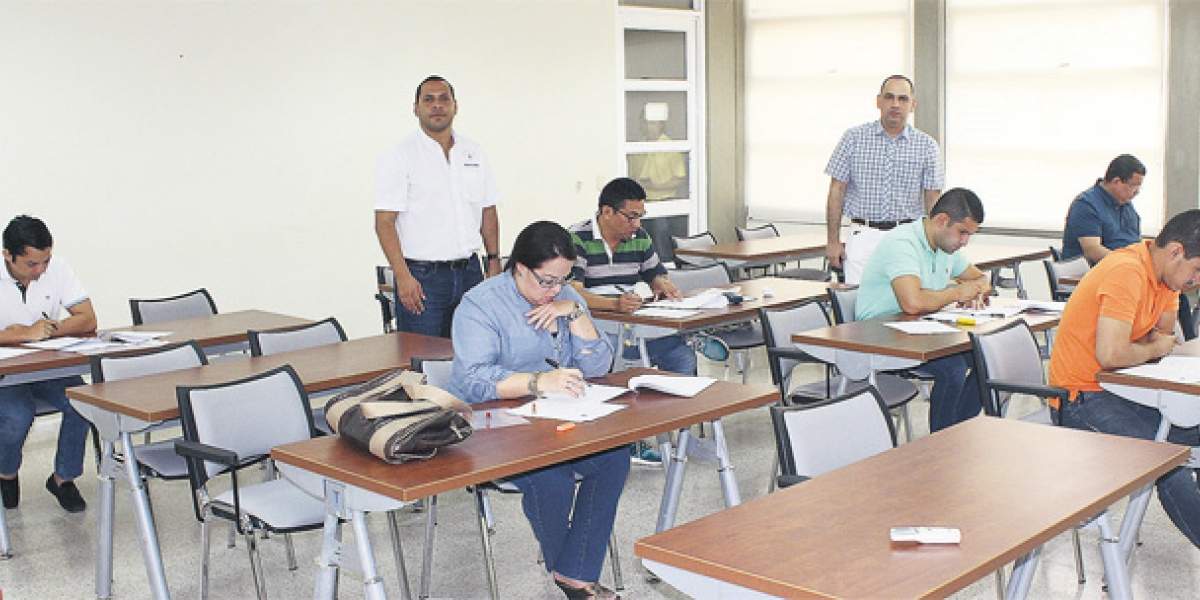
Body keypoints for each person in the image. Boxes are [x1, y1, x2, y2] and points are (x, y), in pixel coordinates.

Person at [446, 221, 623, 600]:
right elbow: (475, 380)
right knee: (552, 476)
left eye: (563, 279)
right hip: (491, 426)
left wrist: (574, 313)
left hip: (556, 419)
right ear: (519, 268)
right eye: (546, 281)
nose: (554, 289)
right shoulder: (480, 305)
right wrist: (538, 381)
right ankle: (573, 574)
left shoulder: (566, 297)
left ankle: (571, 571)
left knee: (614, 457)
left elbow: (599, 367)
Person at [1049, 209, 1200, 549]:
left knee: (1187, 434)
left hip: (1122, 388)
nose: (1196, 281)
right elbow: (1113, 355)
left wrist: (1151, 345)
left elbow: (1162, 338)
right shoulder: (1127, 271)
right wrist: (1152, 346)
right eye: (1197, 270)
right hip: (1080, 397)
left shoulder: (1165, 278)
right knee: (1168, 462)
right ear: (1176, 251)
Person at [568, 177, 695, 465]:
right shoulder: (577, 238)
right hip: (594, 325)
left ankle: (672, 431)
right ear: (607, 212)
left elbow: (655, 273)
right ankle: (625, 440)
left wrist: (663, 285)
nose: (637, 224)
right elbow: (571, 293)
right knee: (620, 357)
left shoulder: (639, 238)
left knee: (680, 353)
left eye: (641, 216)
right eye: (632, 217)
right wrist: (613, 304)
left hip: (632, 322)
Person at [375, 75, 502, 338]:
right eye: (428, 100)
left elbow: (487, 209)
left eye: (444, 99)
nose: (437, 106)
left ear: (455, 105)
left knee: (472, 352)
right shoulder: (400, 155)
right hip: (422, 278)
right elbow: (384, 221)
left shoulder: (473, 151)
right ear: (416, 108)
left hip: (470, 272)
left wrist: (493, 261)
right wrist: (403, 277)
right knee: (424, 360)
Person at [856, 189, 992, 432]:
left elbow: (981, 278)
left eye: (970, 235)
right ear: (942, 220)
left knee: (985, 358)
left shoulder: (946, 247)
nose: (964, 242)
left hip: (919, 331)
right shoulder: (903, 242)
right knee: (953, 370)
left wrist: (979, 290)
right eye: (962, 233)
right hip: (879, 335)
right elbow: (912, 302)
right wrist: (957, 292)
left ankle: (957, 433)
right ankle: (941, 445)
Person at [0, 215, 97, 513]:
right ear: (8, 255)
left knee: (81, 402)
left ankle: (62, 479)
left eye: (45, 261)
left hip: (47, 367)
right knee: (18, 414)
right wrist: (19, 335)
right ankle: (6, 473)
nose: (41, 271)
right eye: (31, 264)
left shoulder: (57, 268)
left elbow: (88, 318)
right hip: (6, 374)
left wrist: (48, 329)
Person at [825, 75, 944, 284]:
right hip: (863, 235)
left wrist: (933, 244)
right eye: (889, 97)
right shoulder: (853, 138)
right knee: (859, 304)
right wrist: (833, 241)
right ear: (878, 101)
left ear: (913, 105)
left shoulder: (927, 146)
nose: (895, 105)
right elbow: (837, 191)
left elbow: (933, 200)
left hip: (907, 237)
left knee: (906, 305)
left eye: (903, 99)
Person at [1061, 154, 1145, 265]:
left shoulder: (1126, 205)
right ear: (1116, 182)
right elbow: (1093, 251)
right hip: (1093, 273)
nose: (1136, 192)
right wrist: (1127, 263)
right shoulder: (1086, 205)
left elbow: (1134, 242)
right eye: (1134, 186)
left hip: (1122, 269)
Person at [629, 102, 687, 201]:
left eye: (652, 123)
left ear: (661, 124)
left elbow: (680, 180)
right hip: (640, 202)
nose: (648, 127)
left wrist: (656, 187)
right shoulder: (636, 148)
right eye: (645, 122)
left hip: (665, 201)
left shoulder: (671, 148)